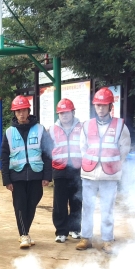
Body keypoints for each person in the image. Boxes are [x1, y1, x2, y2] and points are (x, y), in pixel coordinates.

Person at [77, 88, 131, 254]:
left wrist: (114, 164)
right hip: (89, 173)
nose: (100, 108)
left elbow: (124, 148)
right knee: (87, 207)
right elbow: (82, 147)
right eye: (98, 105)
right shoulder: (87, 125)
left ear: (110, 106)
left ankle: (107, 240)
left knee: (107, 208)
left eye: (104, 105)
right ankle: (86, 238)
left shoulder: (120, 126)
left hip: (110, 174)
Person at [0, 95, 52, 248]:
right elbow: (4, 156)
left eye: (23, 110)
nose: (21, 114)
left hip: (36, 174)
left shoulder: (40, 129)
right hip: (17, 175)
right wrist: (6, 179)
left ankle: (25, 232)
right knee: (20, 205)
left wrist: (47, 176)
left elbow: (48, 153)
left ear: (28, 111)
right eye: (18, 111)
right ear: (14, 113)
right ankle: (23, 235)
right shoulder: (9, 132)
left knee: (32, 204)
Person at [49, 98, 84, 243]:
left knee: (76, 200)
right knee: (59, 203)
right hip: (60, 170)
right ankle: (61, 231)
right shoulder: (52, 129)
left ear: (73, 112)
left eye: (67, 112)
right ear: (58, 115)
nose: (64, 115)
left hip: (77, 169)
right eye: (61, 113)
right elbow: (48, 150)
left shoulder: (82, 127)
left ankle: (75, 229)